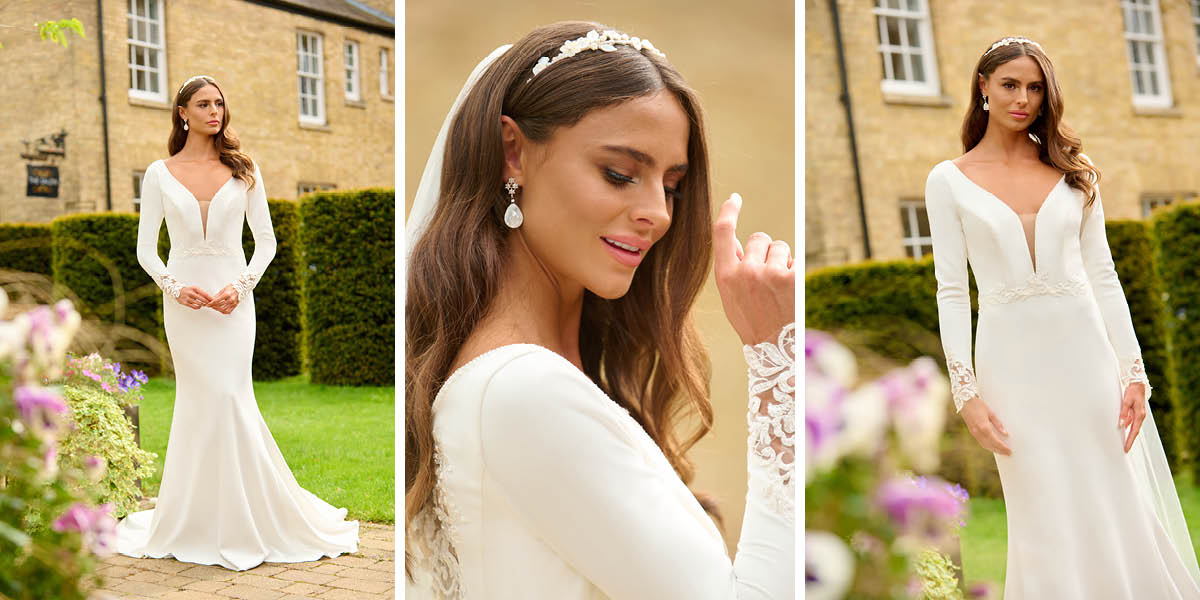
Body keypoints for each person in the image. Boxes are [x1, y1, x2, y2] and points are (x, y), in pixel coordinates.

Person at [404, 22, 795, 599]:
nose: (658, 214)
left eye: (671, 185)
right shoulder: (522, 390)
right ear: (512, 152)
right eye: (619, 173)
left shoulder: (534, 374)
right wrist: (776, 363)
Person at [925, 36, 1200, 598]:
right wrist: (966, 393)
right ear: (982, 87)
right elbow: (951, 291)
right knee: (1041, 503)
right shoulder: (947, 180)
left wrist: (1133, 373)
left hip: (1087, 358)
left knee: (1112, 491)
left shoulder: (1076, 170)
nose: (1022, 98)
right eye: (1009, 85)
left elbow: (1103, 275)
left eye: (1034, 88)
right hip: (1010, 366)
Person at [117, 75, 358, 571]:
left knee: (231, 396)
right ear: (182, 113)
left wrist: (242, 285)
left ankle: (251, 517)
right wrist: (172, 285)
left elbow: (266, 241)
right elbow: (145, 248)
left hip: (233, 303)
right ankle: (194, 519)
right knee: (198, 402)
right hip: (184, 305)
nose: (215, 112)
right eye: (203, 104)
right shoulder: (159, 173)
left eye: (220, 103)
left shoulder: (244, 169)